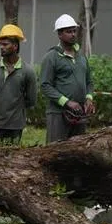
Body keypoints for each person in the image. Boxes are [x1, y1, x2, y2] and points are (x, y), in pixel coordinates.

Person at [39, 14, 94, 143]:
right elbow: (45, 85)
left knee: (78, 150)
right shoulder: (51, 57)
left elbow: (89, 82)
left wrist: (89, 98)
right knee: (56, 149)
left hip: (79, 114)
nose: (73, 34)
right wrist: (67, 102)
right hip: (58, 114)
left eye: (74, 31)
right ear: (59, 34)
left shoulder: (81, 57)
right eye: (68, 31)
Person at [0, 24, 37, 144]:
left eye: (5, 44)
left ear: (15, 46)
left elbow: (31, 100)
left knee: (12, 158)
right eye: (0, 44)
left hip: (15, 126)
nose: (1, 47)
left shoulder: (28, 71)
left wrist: (14, 108)